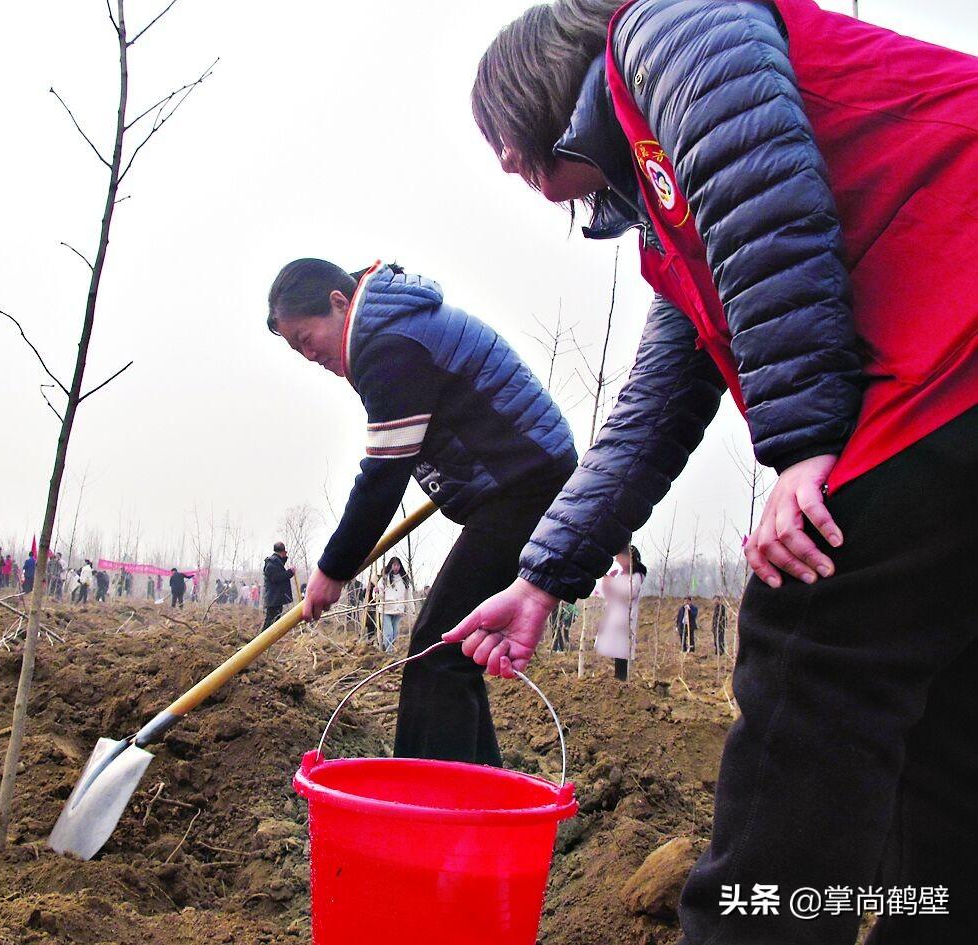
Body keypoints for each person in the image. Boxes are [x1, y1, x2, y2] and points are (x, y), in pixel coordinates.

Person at [451, 1, 978, 940]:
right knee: (945, 728)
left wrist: (804, 444)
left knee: (815, 651)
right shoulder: (671, 223)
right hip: (950, 372)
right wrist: (543, 577)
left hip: (951, 346)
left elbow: (760, 192)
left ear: (540, 86)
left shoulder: (667, 27)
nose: (500, 162)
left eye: (499, 133)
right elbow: (655, 408)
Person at [271, 258, 577, 766]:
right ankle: (476, 801)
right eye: (294, 349)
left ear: (338, 302)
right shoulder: (394, 328)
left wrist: (332, 569)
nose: (309, 355)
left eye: (306, 338)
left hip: (524, 484)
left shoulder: (389, 346)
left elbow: (383, 478)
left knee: (437, 651)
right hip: (516, 480)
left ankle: (432, 810)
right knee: (452, 650)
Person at [596, 544, 646, 680]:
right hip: (616, 617)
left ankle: (622, 679)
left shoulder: (637, 575)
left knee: (623, 650)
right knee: (617, 649)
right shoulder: (622, 574)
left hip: (625, 618)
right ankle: (619, 678)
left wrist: (612, 583)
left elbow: (630, 591)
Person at [373, 557, 411, 652]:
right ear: (390, 565)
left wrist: (411, 608)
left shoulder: (404, 579)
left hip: (398, 609)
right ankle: (389, 652)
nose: (396, 567)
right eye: (394, 565)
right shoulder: (384, 579)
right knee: (388, 633)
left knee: (395, 633)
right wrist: (376, 592)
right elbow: (378, 597)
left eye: (398, 565)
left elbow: (408, 595)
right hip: (386, 609)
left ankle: (388, 649)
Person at [262, 543, 296, 628]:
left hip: (275, 597)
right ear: (283, 551)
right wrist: (290, 572)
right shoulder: (272, 562)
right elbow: (275, 577)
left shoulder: (275, 562)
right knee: (271, 620)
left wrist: (284, 559)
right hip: (273, 597)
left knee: (274, 619)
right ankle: (263, 639)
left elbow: (278, 570)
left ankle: (267, 639)